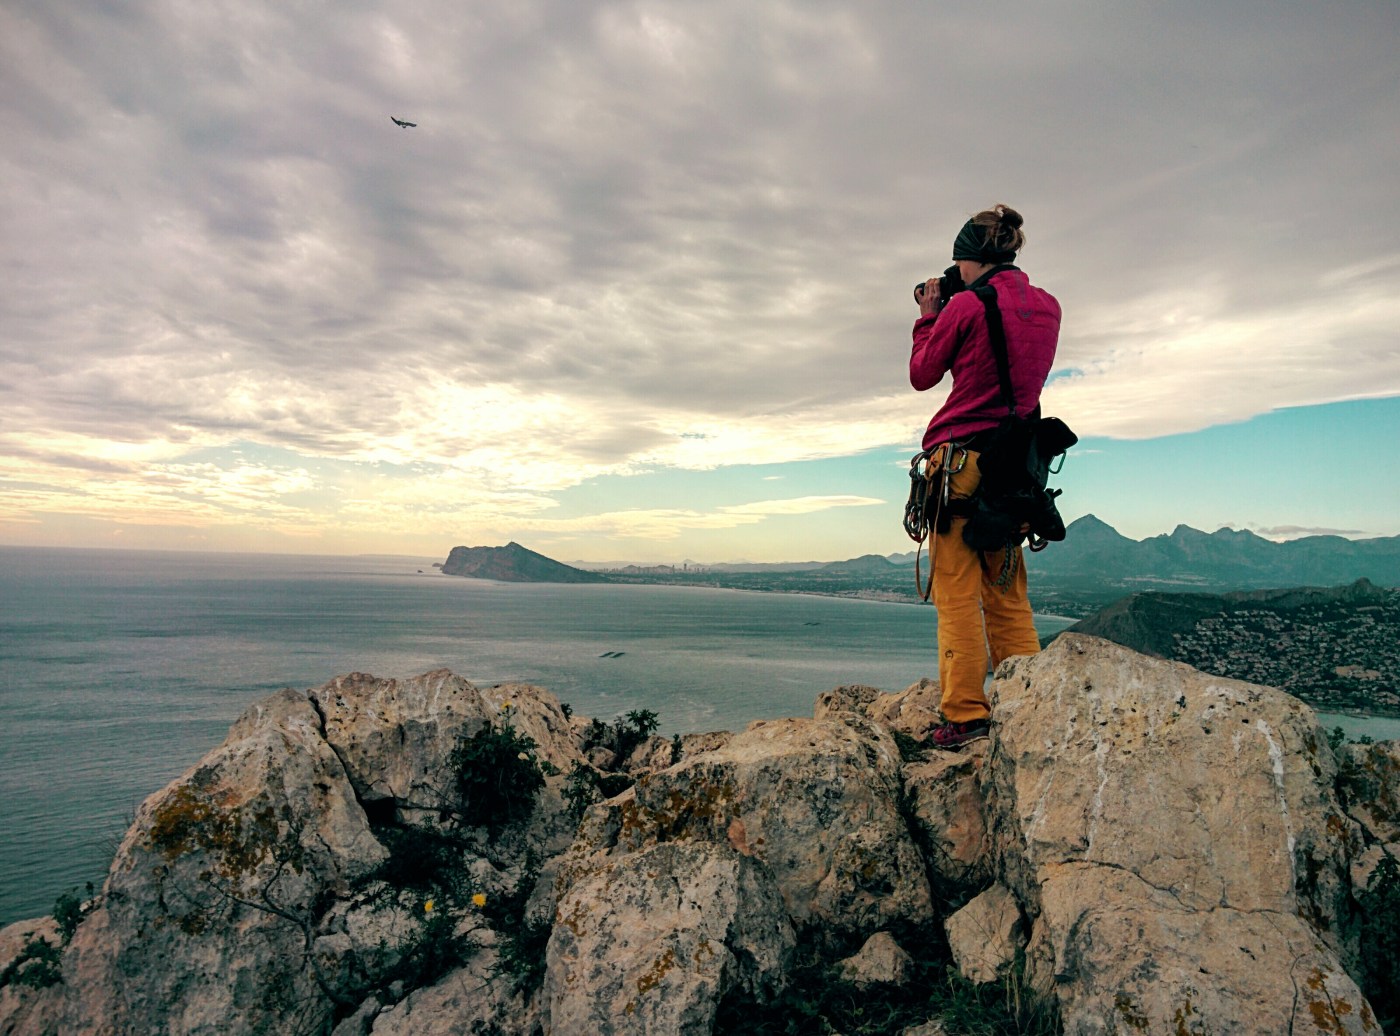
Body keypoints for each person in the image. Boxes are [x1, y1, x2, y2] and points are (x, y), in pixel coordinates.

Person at [909, 204, 1061, 748]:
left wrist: (932, 312)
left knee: (956, 593)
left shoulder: (966, 306)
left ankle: (967, 716)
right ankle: (1029, 704)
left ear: (972, 259)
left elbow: (924, 373)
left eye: (959, 263)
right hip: (1014, 469)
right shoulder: (1048, 307)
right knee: (1007, 591)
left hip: (961, 467)